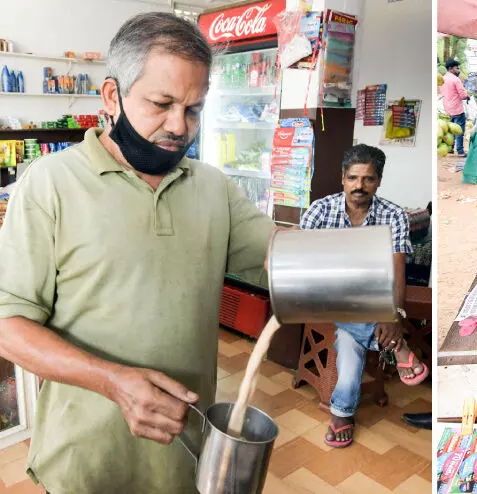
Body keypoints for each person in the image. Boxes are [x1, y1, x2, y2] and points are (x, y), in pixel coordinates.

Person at [0, 13, 275, 493]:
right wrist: (111, 381)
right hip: (86, 459)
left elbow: (280, 256)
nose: (178, 126)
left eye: (194, 109)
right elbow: (8, 326)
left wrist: (364, 268)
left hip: (186, 454)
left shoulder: (213, 187)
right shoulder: (49, 185)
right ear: (112, 97)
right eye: (162, 103)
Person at [300, 144, 429, 448]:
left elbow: (398, 272)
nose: (359, 186)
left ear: (379, 181)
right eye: (353, 178)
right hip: (323, 291)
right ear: (342, 179)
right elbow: (302, 263)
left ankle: (342, 414)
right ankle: (396, 348)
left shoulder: (393, 215)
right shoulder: (320, 210)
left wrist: (393, 316)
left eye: (368, 179)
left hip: (371, 295)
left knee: (349, 343)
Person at [440, 59, 469, 157]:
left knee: (450, 130)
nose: (459, 70)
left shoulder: (442, 79)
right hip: (457, 109)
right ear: (451, 69)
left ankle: (450, 149)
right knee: (459, 130)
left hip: (447, 109)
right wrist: (467, 96)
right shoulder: (456, 80)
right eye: (457, 68)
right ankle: (460, 151)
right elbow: (462, 95)